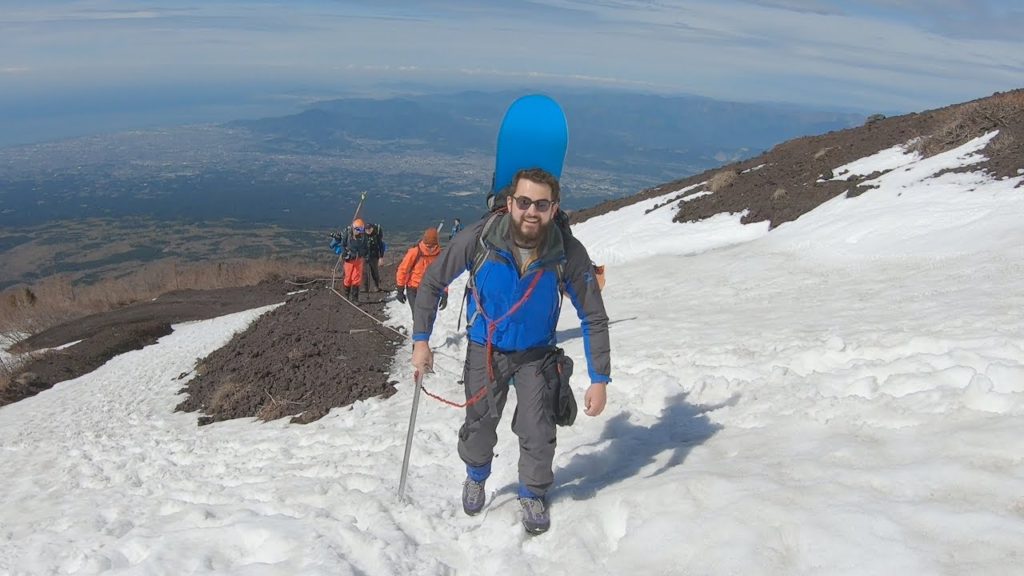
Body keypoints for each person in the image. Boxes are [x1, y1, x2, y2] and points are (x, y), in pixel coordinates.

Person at [411, 167, 611, 535]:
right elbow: (433, 281)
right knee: (481, 423)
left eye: (541, 204)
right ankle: (476, 475)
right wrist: (421, 340)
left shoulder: (566, 251)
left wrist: (599, 378)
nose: (530, 211)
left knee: (538, 428)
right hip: (486, 347)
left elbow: (593, 316)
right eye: (523, 202)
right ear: (509, 203)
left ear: (554, 209)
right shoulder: (481, 238)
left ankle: (533, 493)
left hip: (537, 354)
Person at [395, 227, 447, 315]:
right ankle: (418, 328)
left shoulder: (439, 255)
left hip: (430, 289)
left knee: (428, 316)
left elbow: (443, 275)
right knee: (418, 317)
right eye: (428, 246)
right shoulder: (415, 252)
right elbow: (403, 270)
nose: (430, 248)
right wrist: (400, 289)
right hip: (413, 289)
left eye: (432, 246)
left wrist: (445, 293)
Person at [330, 217, 369, 302]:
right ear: (353, 228)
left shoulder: (364, 237)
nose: (359, 231)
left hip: (359, 259)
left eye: (361, 229)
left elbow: (366, 248)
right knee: (348, 278)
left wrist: (364, 254)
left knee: (356, 278)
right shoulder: (347, 234)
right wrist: (344, 253)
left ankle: (355, 299)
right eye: (358, 229)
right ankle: (346, 296)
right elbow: (343, 245)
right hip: (349, 260)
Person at [363, 222, 386, 292]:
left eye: (369, 229)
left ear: (372, 228)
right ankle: (365, 288)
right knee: (365, 272)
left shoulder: (376, 235)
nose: (368, 231)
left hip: (374, 256)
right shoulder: (362, 234)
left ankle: (376, 286)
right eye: (367, 229)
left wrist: (381, 257)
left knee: (374, 272)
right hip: (364, 255)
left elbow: (381, 246)